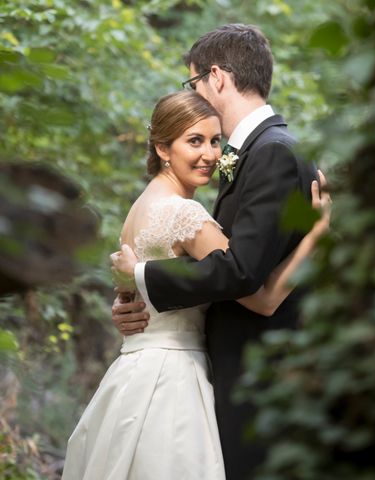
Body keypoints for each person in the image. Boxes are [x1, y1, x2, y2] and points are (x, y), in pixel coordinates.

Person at [62, 91, 328, 479]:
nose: (209, 154)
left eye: (215, 140)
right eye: (194, 141)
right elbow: (261, 298)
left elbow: (137, 292)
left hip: (132, 373)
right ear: (162, 148)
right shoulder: (184, 213)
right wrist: (316, 235)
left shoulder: (142, 205)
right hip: (173, 380)